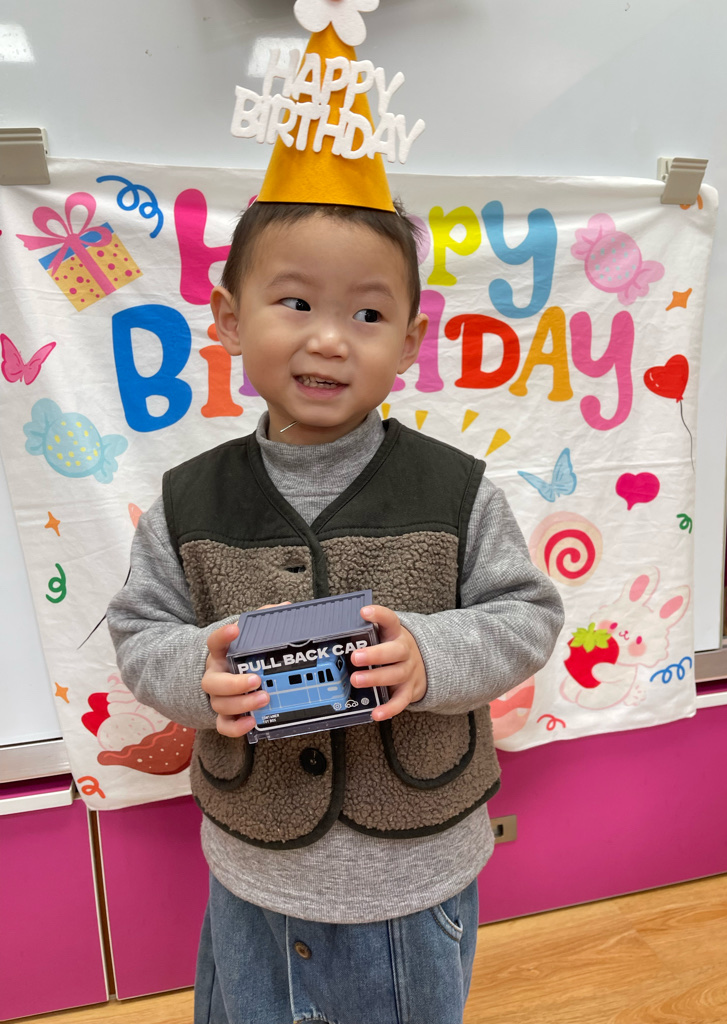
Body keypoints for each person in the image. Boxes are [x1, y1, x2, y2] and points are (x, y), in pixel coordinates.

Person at [107, 195, 564, 1024]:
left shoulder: (457, 490)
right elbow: (141, 632)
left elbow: (526, 613)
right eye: (295, 302)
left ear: (410, 342)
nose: (329, 339)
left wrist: (430, 653)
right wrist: (196, 673)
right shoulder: (186, 499)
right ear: (229, 318)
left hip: (413, 876)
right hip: (252, 870)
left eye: (367, 314)